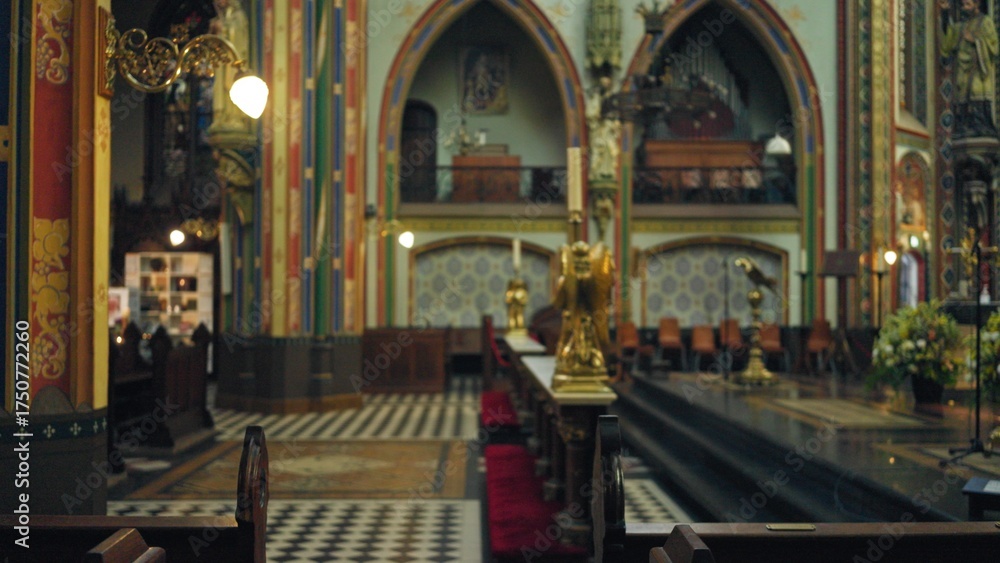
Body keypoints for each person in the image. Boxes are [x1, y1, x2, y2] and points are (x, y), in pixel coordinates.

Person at [939, 0, 998, 138]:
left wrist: (975, 40)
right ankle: (964, 127)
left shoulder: (985, 22)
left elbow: (994, 46)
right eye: (963, 5)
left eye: (968, 4)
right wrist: (945, 13)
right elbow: (949, 38)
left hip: (978, 69)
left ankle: (981, 127)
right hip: (962, 70)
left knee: (976, 92)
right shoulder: (961, 26)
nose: (964, 8)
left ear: (976, 4)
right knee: (962, 97)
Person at [586, 76, 622, 183]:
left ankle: (608, 172)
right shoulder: (597, 98)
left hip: (609, 127)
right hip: (600, 128)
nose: (605, 85)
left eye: (607, 83)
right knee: (599, 149)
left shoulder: (613, 98)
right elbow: (591, 114)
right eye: (603, 83)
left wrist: (615, 122)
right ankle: (597, 172)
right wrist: (596, 116)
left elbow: (617, 113)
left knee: (609, 149)